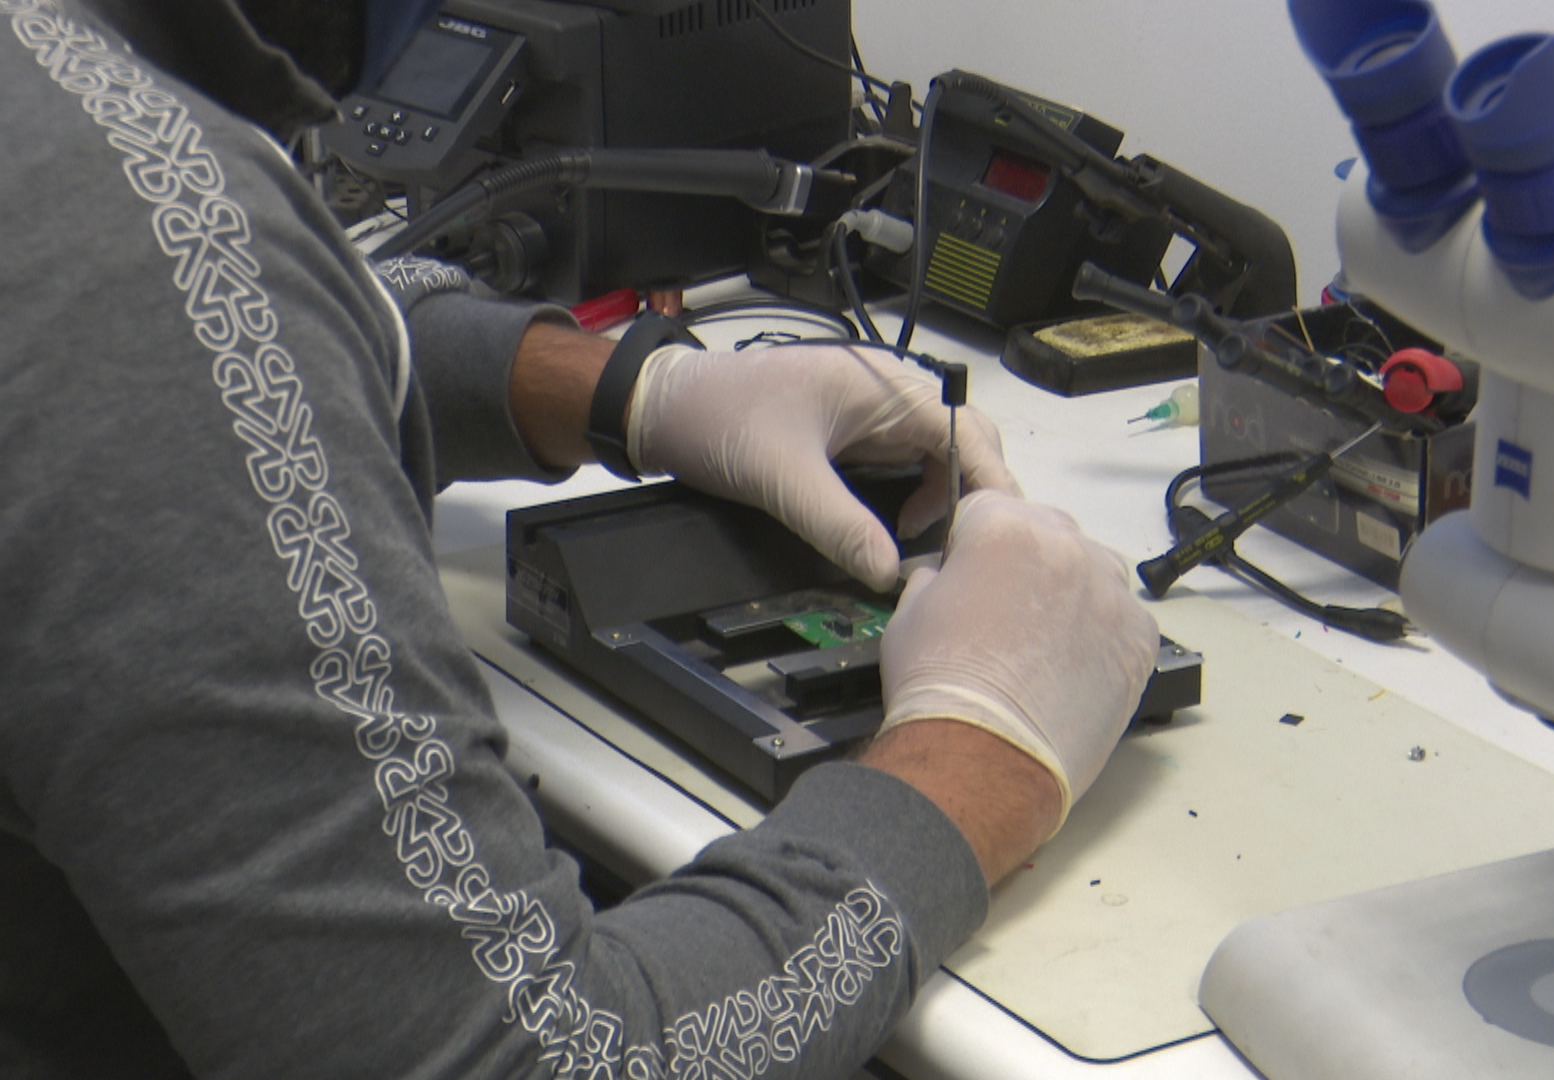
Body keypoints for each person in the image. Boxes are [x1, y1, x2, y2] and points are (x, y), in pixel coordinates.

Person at [0, 1, 1161, 1078]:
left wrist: (627, 390)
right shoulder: (131, 224)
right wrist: (978, 756)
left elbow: (234, 318)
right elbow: (527, 1061)